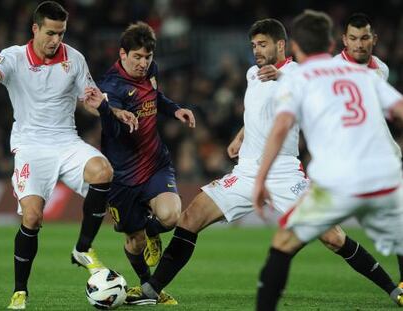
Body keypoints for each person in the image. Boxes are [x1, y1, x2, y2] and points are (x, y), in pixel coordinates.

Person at [124, 18, 403, 306]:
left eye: (263, 44)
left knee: (333, 238)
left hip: (285, 173)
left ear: (281, 45)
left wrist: (284, 78)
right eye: (254, 45)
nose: (256, 50)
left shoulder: (300, 72)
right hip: (246, 171)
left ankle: (394, 290)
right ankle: (151, 290)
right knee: (190, 218)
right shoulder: (251, 74)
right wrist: (240, 136)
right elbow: (260, 110)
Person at [252, 10, 403, 311]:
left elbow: (281, 127)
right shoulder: (364, 73)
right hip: (387, 176)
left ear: (295, 48)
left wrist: (260, 179)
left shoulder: (300, 77)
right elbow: (399, 108)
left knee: (282, 246)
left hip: (340, 180)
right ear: (334, 43)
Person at [0, 2, 131, 309]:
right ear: (35, 29)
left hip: (66, 141)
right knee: (32, 217)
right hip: (30, 145)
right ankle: (20, 291)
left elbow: (91, 99)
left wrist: (114, 111)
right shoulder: (13, 56)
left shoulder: (74, 59)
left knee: (103, 171)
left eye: (61, 33)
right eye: (51, 33)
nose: (56, 40)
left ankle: (83, 248)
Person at [91, 21, 195, 305]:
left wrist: (175, 110)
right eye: (137, 57)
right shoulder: (110, 85)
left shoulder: (151, 71)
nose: (143, 63)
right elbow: (109, 127)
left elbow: (155, 98)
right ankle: (148, 286)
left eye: (147, 57)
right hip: (121, 176)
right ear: (122, 54)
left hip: (155, 164)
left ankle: (153, 233)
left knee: (172, 217)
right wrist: (114, 114)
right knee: (133, 242)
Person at [336, 13, 403, 287]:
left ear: (373, 39)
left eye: (364, 38)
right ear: (344, 40)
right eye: (353, 38)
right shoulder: (331, 70)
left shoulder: (381, 70)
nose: (359, 44)